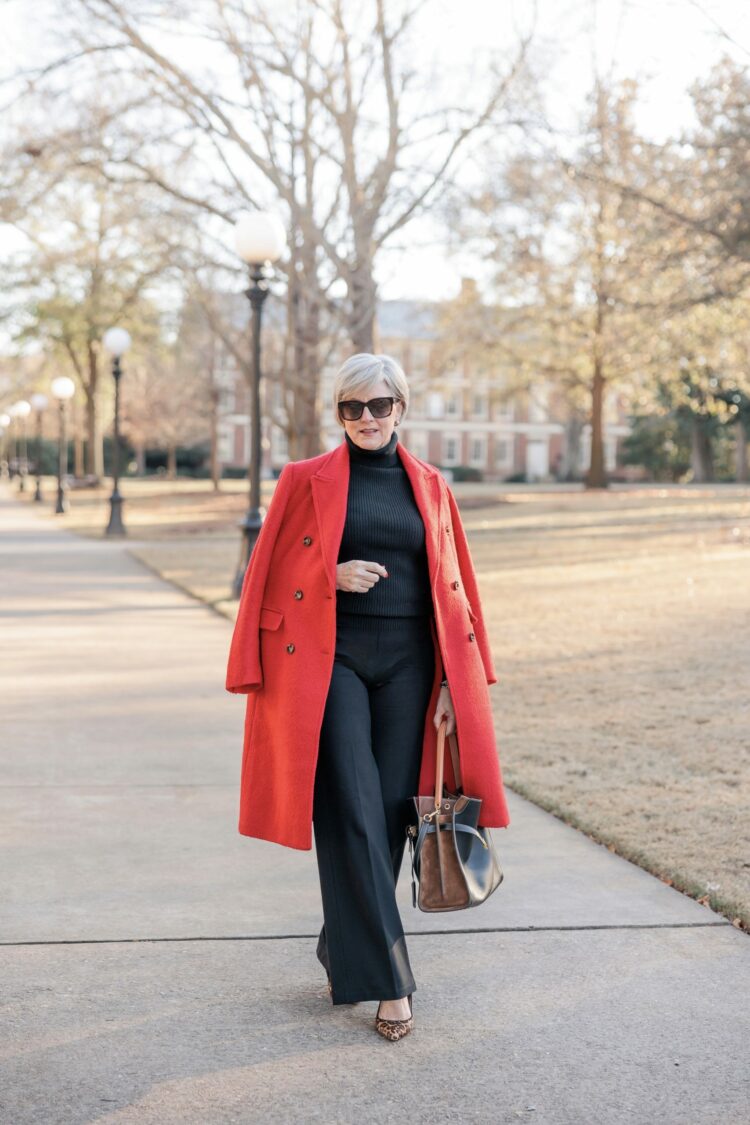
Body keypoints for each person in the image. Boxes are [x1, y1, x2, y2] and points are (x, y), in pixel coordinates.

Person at [225, 352, 510, 1043]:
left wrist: (451, 684)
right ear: (340, 414)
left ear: (401, 408)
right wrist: (330, 572)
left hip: (413, 665)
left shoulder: (433, 487)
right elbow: (267, 575)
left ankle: (341, 946)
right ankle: (389, 980)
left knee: (386, 819)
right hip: (333, 665)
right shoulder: (304, 480)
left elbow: (454, 586)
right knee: (349, 804)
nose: (367, 419)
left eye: (379, 405)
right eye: (352, 408)